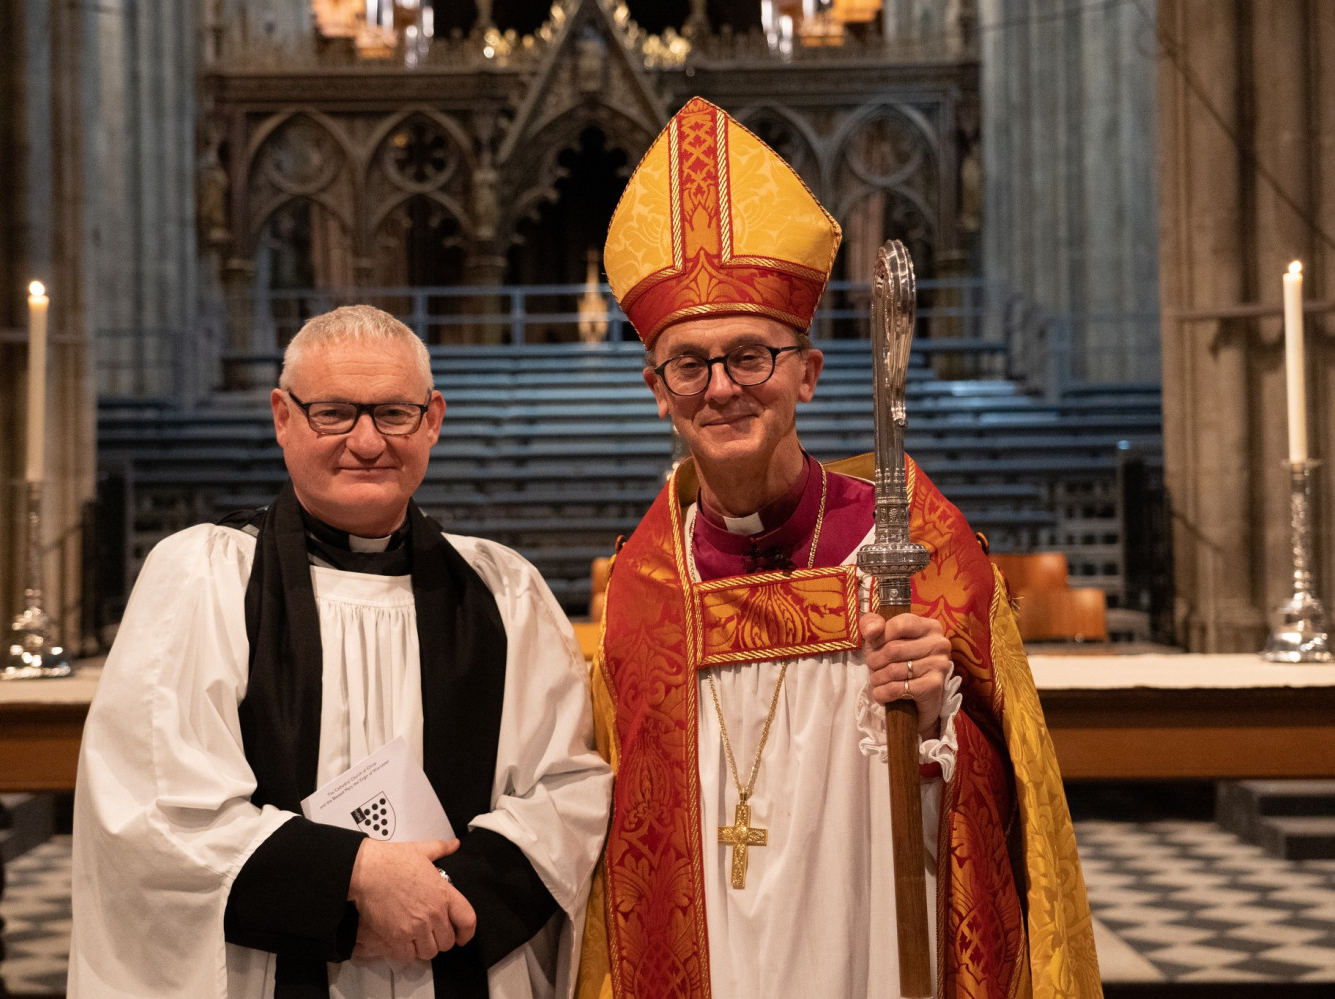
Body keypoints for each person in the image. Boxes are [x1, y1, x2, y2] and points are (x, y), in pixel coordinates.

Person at [574, 98, 1100, 998]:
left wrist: (938, 711)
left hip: (876, 929)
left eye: (752, 356)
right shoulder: (646, 580)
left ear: (807, 374)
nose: (723, 387)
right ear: (657, 390)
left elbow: (1012, 797)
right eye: (690, 364)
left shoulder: (912, 540)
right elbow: (625, 837)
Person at [70, 305, 613, 999]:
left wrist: (434, 903)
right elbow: (151, 805)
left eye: (394, 413)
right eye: (333, 412)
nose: (366, 441)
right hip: (270, 969)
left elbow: (564, 790)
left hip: (458, 957)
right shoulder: (201, 579)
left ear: (434, 420)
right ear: (282, 417)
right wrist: (353, 881)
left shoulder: (503, 592)